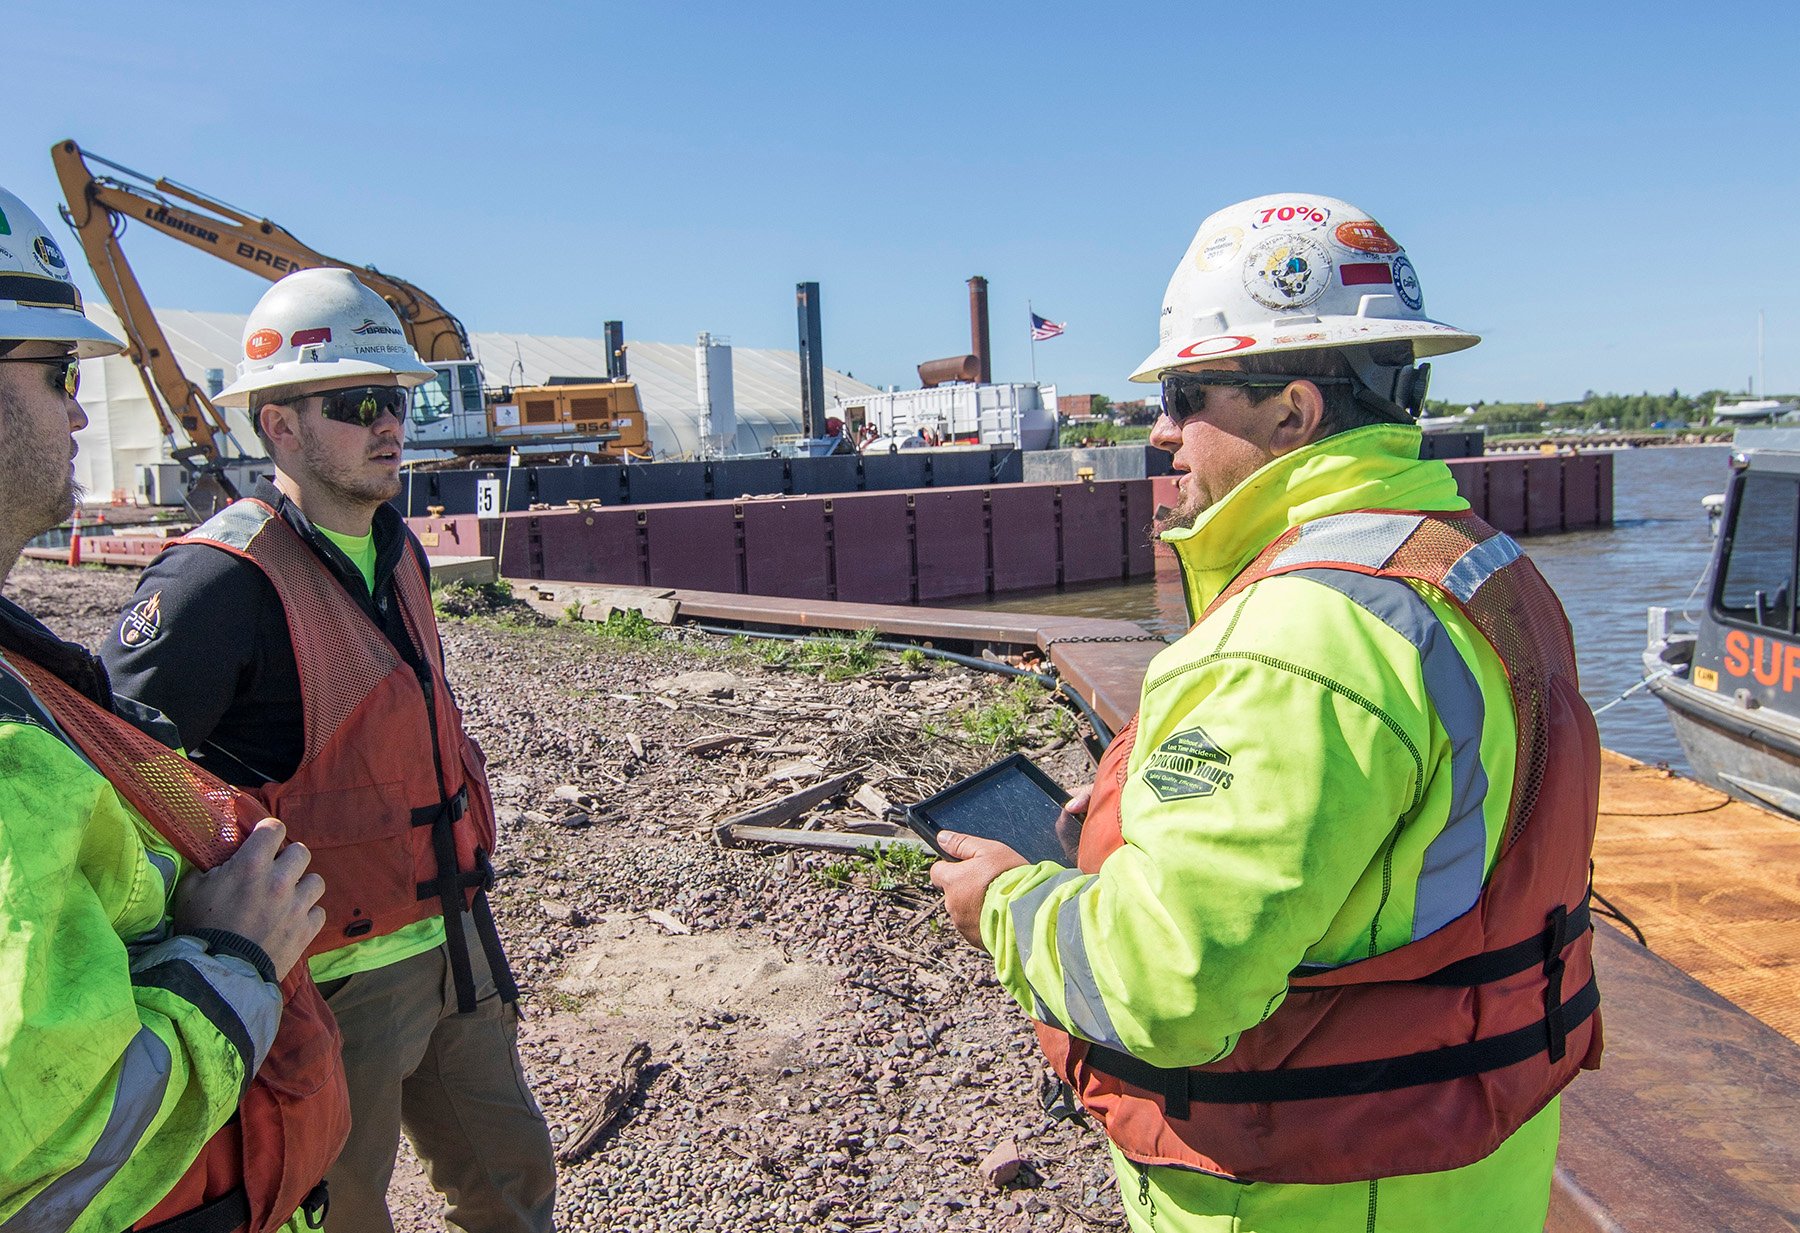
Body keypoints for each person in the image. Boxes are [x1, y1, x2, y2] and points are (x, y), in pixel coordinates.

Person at [930, 194, 1602, 1232]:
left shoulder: (1294, 636)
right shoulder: (1471, 564)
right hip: (1459, 1169)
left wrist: (1007, 908)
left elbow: (1170, 991)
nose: (1159, 431)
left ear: (1292, 411)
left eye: (1187, 393)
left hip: (1319, 1191)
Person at [103, 268, 556, 1233]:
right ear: (279, 427)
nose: (388, 424)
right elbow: (114, 769)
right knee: (343, 1211)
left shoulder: (400, 550)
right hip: (330, 980)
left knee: (511, 1179)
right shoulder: (213, 585)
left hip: (455, 942)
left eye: (396, 399)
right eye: (355, 403)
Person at [0, 186, 346, 1233]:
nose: (78, 410)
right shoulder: (211, 582)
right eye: (58, 373)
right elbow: (40, 1148)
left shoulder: (33, 678)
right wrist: (226, 960)